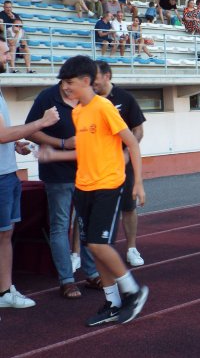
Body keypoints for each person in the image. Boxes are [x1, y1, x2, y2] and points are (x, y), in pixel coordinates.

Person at [38, 55, 148, 326]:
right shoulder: (78, 112)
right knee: (92, 247)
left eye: (69, 82)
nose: (65, 88)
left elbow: (132, 143)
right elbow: (84, 151)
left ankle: (133, 291)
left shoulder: (104, 108)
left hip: (108, 185)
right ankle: (112, 302)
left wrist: (138, 183)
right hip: (83, 186)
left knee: (99, 244)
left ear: (86, 81)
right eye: (63, 83)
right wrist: (54, 156)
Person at [25, 82, 102, 299]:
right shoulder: (47, 97)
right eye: (66, 82)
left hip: (87, 172)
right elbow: (31, 130)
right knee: (60, 225)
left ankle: (92, 273)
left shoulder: (90, 97)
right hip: (57, 174)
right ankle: (66, 280)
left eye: (74, 82)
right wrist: (62, 143)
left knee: (87, 224)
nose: (69, 88)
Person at [0, 36, 58, 310]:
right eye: (3, 53)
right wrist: (42, 122)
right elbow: (1, 135)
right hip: (1, 177)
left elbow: (3, 136)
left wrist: (15, 143)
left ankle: (5, 291)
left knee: (6, 234)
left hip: (7, 173)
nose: (8, 57)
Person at [94, 61, 147, 267]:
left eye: (95, 76)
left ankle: (132, 248)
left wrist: (125, 155)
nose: (92, 81)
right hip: (97, 166)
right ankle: (81, 253)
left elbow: (138, 130)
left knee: (128, 206)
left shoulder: (125, 98)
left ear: (107, 76)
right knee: (92, 209)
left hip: (123, 165)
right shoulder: (89, 101)